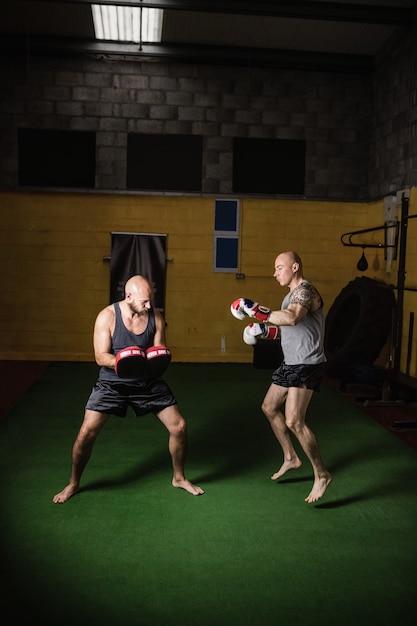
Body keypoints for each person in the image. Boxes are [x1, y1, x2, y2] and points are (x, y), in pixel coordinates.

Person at [53, 275, 204, 503]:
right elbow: (100, 356)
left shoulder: (156, 317)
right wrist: (124, 360)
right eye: (144, 302)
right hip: (112, 382)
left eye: (151, 301)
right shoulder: (107, 316)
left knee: (179, 427)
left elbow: (159, 349)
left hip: (146, 380)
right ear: (129, 296)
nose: (149, 306)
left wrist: (155, 358)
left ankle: (179, 478)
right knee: (85, 434)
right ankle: (74, 483)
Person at [231, 251, 332, 503]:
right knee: (268, 407)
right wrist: (264, 331)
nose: (275, 273)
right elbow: (292, 330)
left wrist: (256, 311)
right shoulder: (290, 296)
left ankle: (322, 474)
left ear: (295, 267)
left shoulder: (305, 292)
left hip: (307, 364)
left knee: (294, 420)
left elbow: (293, 317)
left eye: (279, 268)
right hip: (290, 364)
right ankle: (291, 457)